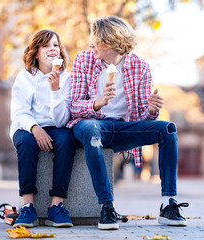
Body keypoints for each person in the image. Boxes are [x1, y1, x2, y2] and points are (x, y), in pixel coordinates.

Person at [68, 15, 188, 230]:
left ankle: (168, 203)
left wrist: (152, 110)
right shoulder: (83, 60)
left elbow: (142, 117)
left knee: (167, 128)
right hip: (93, 126)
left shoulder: (140, 67)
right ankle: (107, 206)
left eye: (96, 39)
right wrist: (98, 103)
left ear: (113, 42)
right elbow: (73, 106)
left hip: (123, 128)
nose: (90, 44)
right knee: (89, 128)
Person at [10, 29, 75, 228]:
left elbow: (62, 119)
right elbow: (19, 112)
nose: (52, 49)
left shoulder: (67, 78)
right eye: (46, 45)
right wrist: (34, 128)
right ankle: (28, 206)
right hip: (27, 126)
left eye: (55, 45)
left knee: (66, 140)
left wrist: (55, 89)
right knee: (27, 143)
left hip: (56, 126)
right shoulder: (25, 77)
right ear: (36, 52)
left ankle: (56, 206)